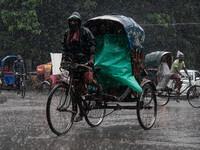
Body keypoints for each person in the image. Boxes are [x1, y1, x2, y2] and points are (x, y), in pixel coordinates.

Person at [62, 11, 102, 122]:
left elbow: (92, 44)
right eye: (71, 21)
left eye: (75, 21)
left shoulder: (85, 32)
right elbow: (64, 48)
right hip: (73, 63)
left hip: (84, 62)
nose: (73, 23)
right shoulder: (67, 34)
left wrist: (91, 58)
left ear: (79, 22)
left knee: (89, 80)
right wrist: (64, 59)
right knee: (75, 91)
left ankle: (99, 88)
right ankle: (80, 111)